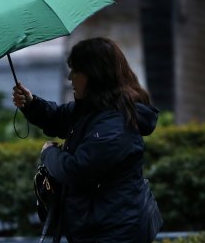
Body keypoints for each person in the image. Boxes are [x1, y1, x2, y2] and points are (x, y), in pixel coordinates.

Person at [12, 37, 159, 243]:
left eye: (76, 71)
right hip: (96, 227)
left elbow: (77, 170)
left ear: (95, 75)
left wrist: (49, 153)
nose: (70, 77)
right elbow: (59, 118)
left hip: (114, 233)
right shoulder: (94, 110)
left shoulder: (114, 124)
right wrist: (32, 104)